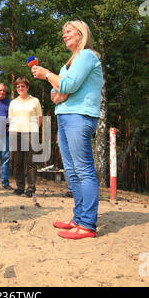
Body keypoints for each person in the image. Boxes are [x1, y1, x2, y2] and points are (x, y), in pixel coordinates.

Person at [31, 20, 103, 240]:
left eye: (68, 31)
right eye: (63, 33)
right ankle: (78, 218)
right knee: (72, 171)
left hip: (79, 117)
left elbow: (67, 88)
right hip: (64, 117)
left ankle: (88, 224)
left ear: (81, 34)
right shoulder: (67, 65)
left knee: (83, 170)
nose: (64, 35)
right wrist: (61, 88)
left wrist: (47, 75)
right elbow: (56, 96)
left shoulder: (87, 56)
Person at [8, 77, 42, 197]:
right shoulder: (13, 102)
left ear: (27, 87)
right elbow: (10, 119)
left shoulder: (35, 101)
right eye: (18, 86)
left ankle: (31, 188)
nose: (20, 88)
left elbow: (39, 119)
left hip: (31, 133)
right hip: (15, 133)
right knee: (17, 162)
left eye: (23, 86)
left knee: (31, 162)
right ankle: (20, 187)